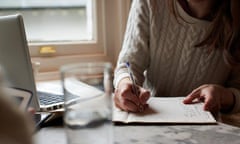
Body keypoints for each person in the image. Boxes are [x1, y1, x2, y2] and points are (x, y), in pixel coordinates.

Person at [113, 0, 240, 115]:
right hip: (151, 114)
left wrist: (224, 96)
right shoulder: (150, 3)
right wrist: (125, 83)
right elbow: (129, 64)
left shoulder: (236, 17)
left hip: (213, 127)